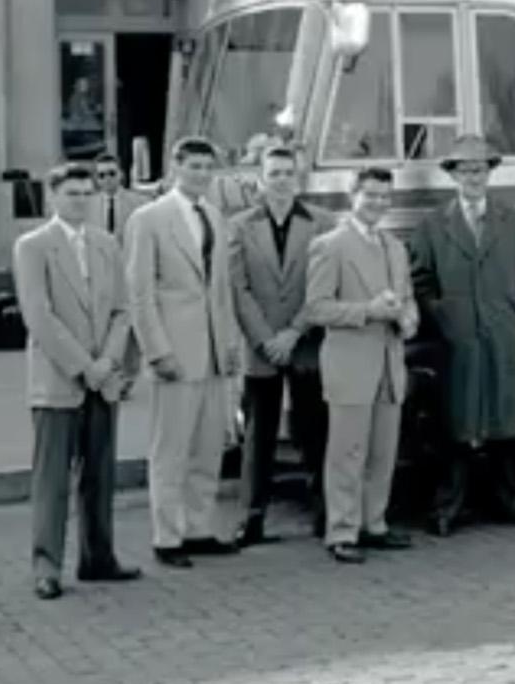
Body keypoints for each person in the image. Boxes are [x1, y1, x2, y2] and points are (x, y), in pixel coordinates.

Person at [14, 164, 141, 600]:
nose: (81, 200)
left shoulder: (107, 244)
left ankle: (98, 556)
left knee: (100, 473)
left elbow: (123, 309)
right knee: (52, 478)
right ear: (53, 196)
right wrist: (84, 366)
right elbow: (39, 316)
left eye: (87, 192)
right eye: (72, 193)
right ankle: (46, 567)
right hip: (59, 379)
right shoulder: (33, 246)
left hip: (103, 378)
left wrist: (107, 361)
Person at [412, 136, 515, 535]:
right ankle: (448, 506)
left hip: (503, 333)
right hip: (460, 338)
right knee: (459, 423)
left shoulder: (514, 219)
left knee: (505, 420)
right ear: (453, 175)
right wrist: (443, 316)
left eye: (481, 168)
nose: (474, 176)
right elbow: (420, 279)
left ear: (491, 172)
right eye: (465, 169)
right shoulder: (433, 224)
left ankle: (509, 501)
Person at [125, 136, 242, 568]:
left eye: (207, 168)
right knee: (170, 450)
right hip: (175, 350)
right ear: (176, 168)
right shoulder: (149, 219)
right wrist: (156, 351)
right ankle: (167, 536)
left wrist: (229, 347)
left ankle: (199, 528)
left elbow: (222, 291)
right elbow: (139, 293)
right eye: (193, 167)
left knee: (208, 447)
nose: (201, 176)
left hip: (212, 351)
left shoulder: (214, 215)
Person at [306, 167, 417, 563]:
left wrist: (409, 318)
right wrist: (366, 311)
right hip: (350, 362)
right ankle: (342, 531)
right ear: (353, 195)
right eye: (370, 195)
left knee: (383, 451)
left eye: (385, 197)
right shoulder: (330, 246)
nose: (378, 203)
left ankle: (375, 523)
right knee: (347, 451)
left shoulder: (396, 247)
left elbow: (407, 298)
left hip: (390, 361)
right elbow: (316, 307)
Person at [228, 146, 334, 546]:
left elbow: (326, 284)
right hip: (261, 346)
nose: (282, 179)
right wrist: (265, 338)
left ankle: (326, 512)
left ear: (299, 177)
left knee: (314, 430)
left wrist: (294, 331)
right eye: (274, 173)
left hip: (306, 342)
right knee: (259, 434)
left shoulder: (323, 223)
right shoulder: (238, 226)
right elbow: (237, 289)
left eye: (289, 172)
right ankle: (251, 518)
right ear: (260, 178)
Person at [90, 153, 148, 242]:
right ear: (96, 179)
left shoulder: (140, 202)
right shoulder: (88, 205)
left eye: (112, 173)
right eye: (101, 175)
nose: (107, 178)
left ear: (121, 174)